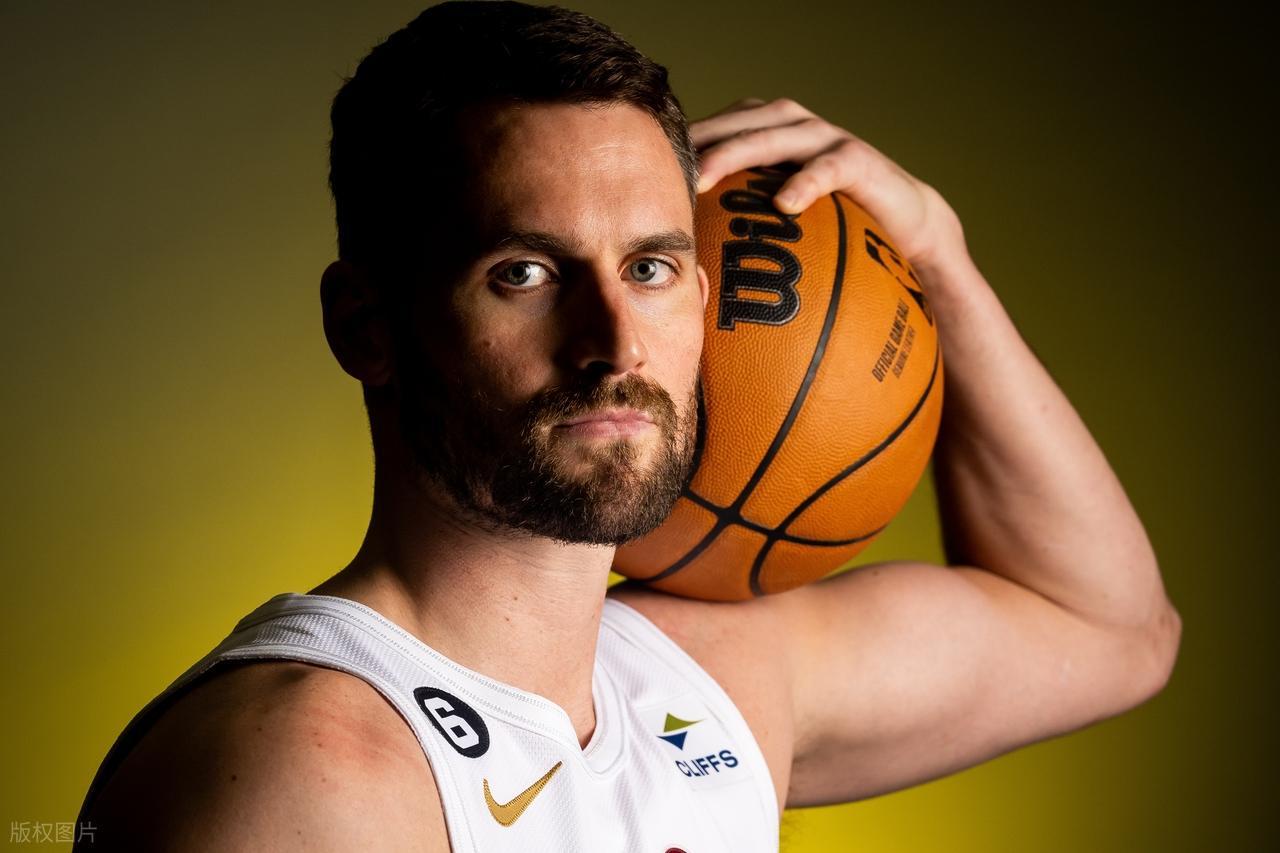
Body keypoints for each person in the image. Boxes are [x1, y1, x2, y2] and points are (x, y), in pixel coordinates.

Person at [74, 2, 1182, 850]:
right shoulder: (308, 776)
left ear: (699, 298)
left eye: (649, 267)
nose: (614, 343)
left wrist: (938, 253)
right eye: (524, 272)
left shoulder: (700, 682)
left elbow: (1109, 630)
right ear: (366, 325)